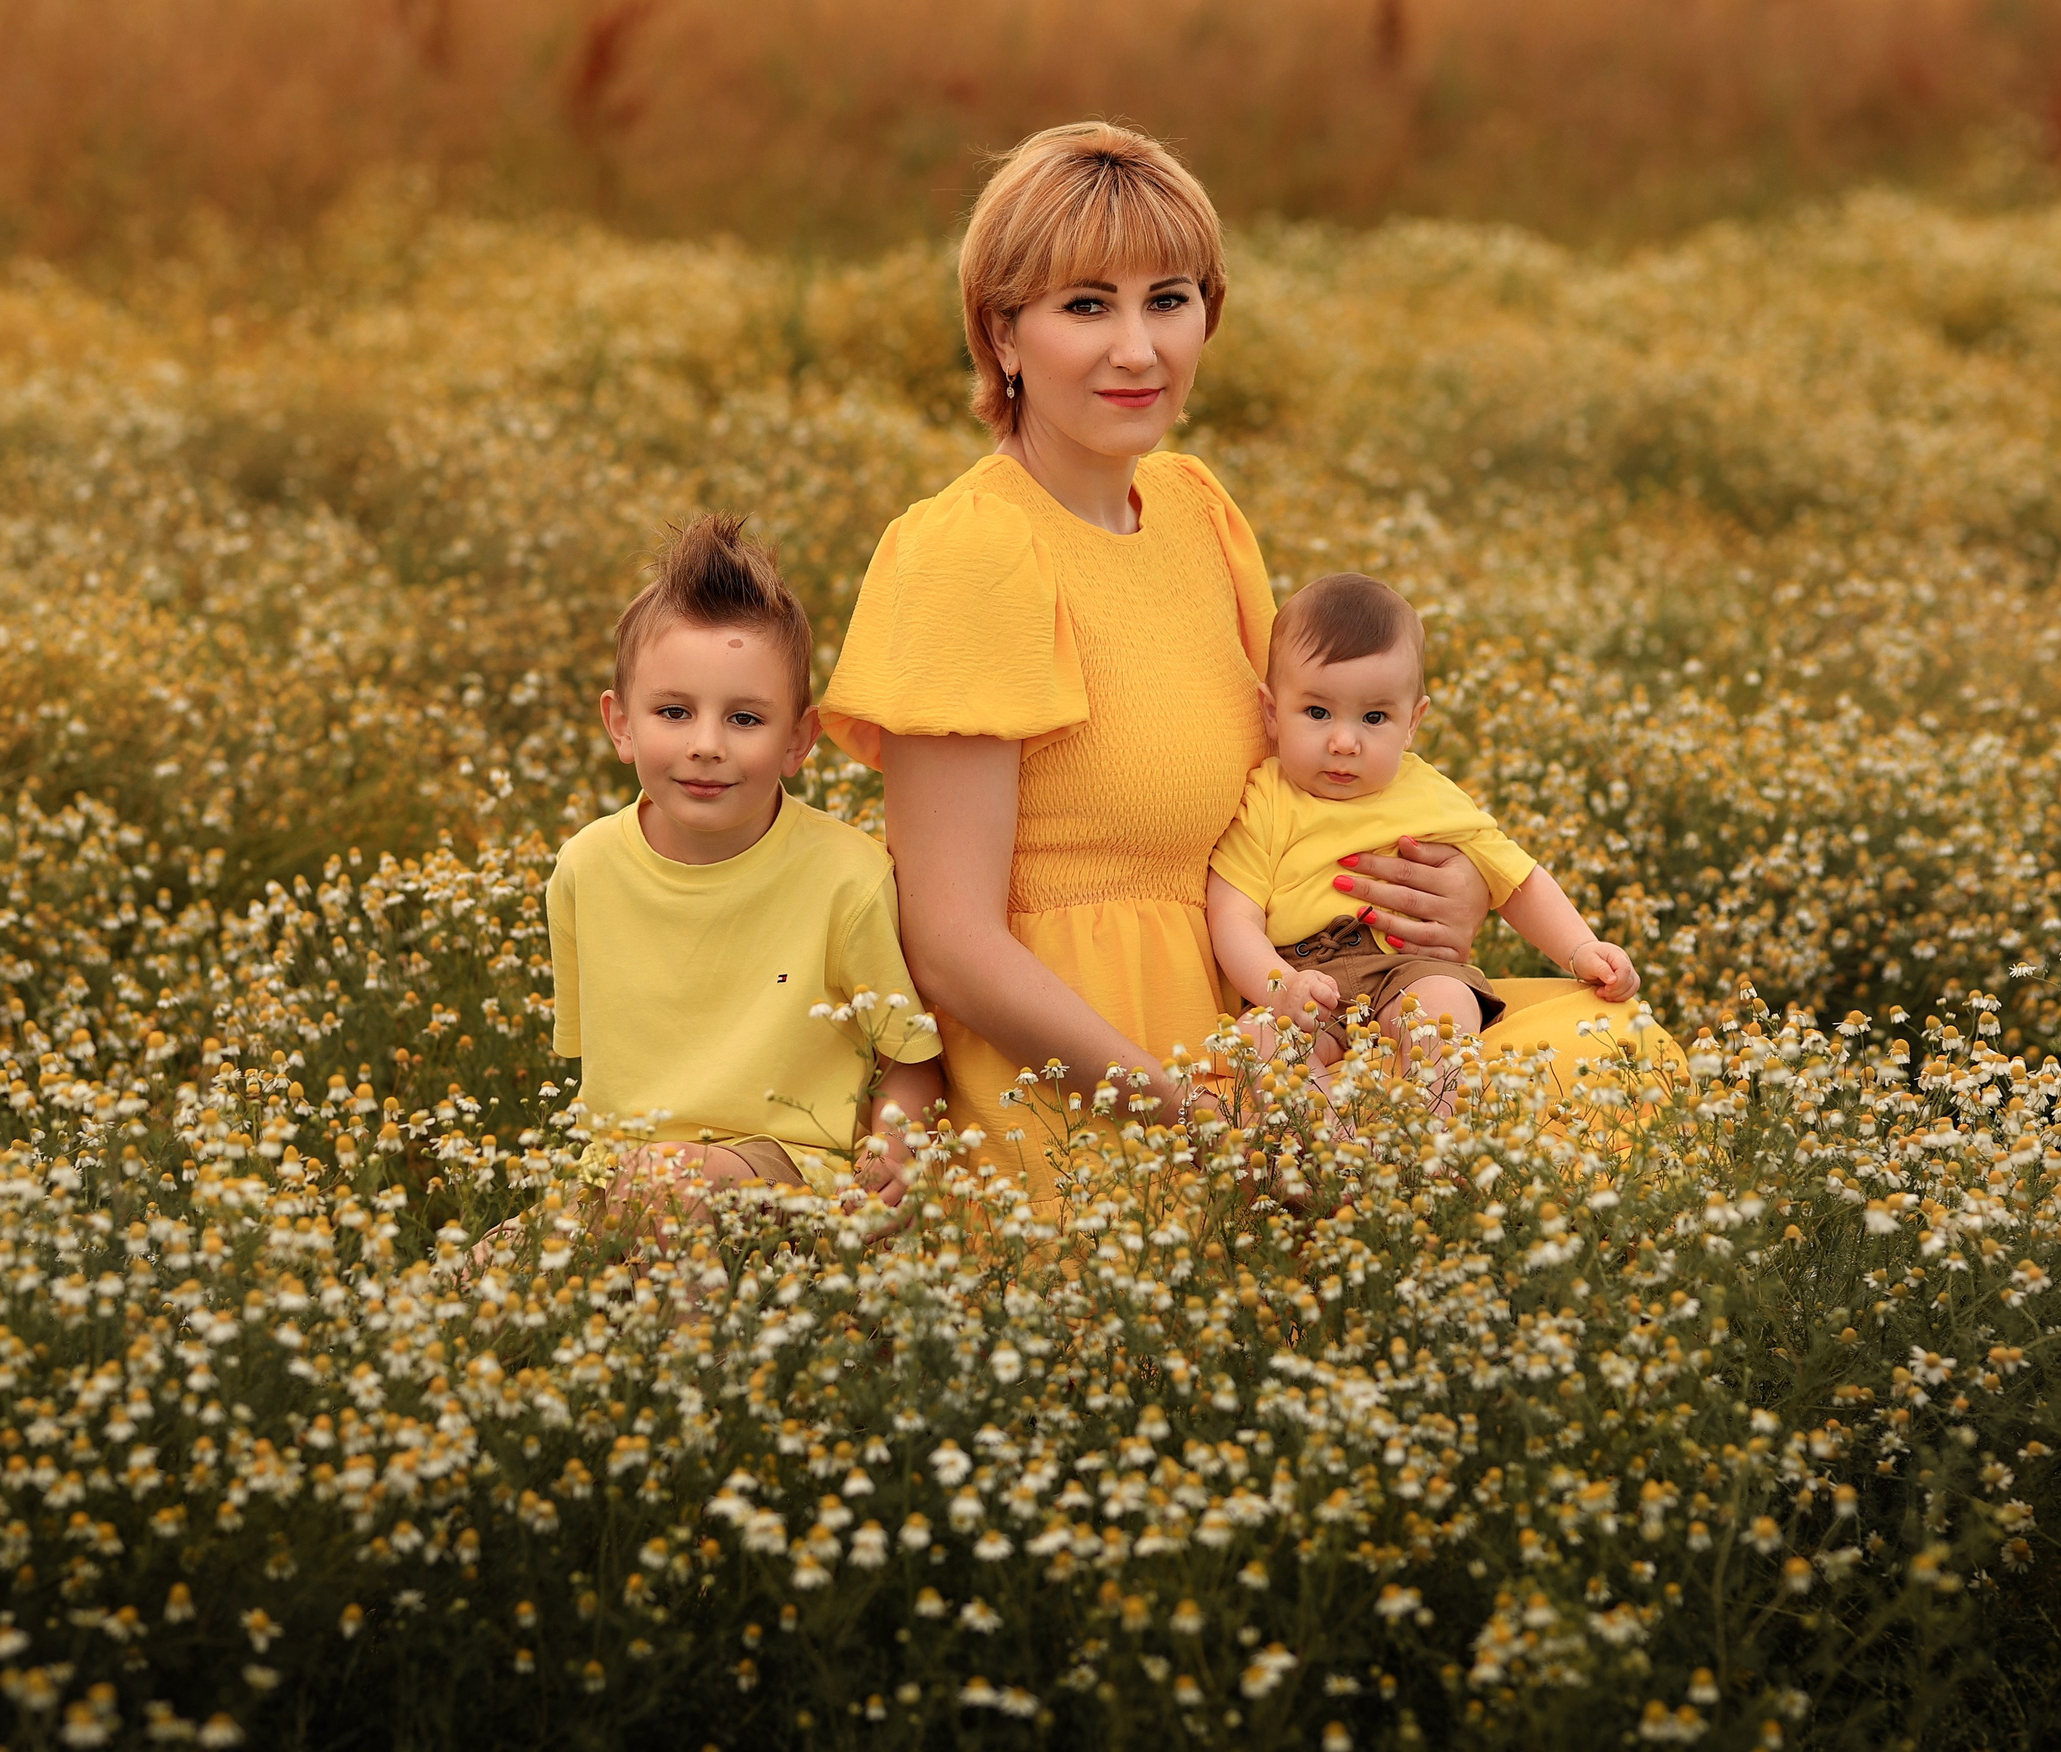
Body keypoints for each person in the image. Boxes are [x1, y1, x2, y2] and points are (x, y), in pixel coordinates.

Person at [822, 121, 1665, 1204]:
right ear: (1004, 333)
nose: (1139, 350)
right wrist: (1201, 1124)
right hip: (1094, 1082)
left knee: (1613, 1058)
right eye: (1087, 306)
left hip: (1267, 1020)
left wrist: (1440, 897)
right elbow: (949, 947)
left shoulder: (1191, 506)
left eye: (1167, 301)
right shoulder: (971, 551)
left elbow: (1293, 775)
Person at [546, 514, 945, 1229]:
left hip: (788, 1172)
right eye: (673, 711)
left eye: (745, 720)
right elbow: (596, 1079)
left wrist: (894, 1153)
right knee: (458, 1290)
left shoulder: (846, 878)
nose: (706, 746)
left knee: (672, 1188)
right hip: (620, 1182)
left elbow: (911, 1058)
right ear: (620, 724)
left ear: (799, 739)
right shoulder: (586, 868)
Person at [1208, 573, 1637, 1097]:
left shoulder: (1428, 793)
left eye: (1374, 717)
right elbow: (1234, 917)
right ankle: (1331, 1140)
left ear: (1412, 723)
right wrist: (1279, 988)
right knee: (1255, 1041)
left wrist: (1581, 949)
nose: (1345, 742)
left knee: (1444, 1008)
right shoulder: (1264, 801)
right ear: (1273, 713)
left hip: (1406, 970)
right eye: (1317, 712)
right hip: (1302, 975)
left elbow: (1518, 880)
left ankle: (1434, 1138)